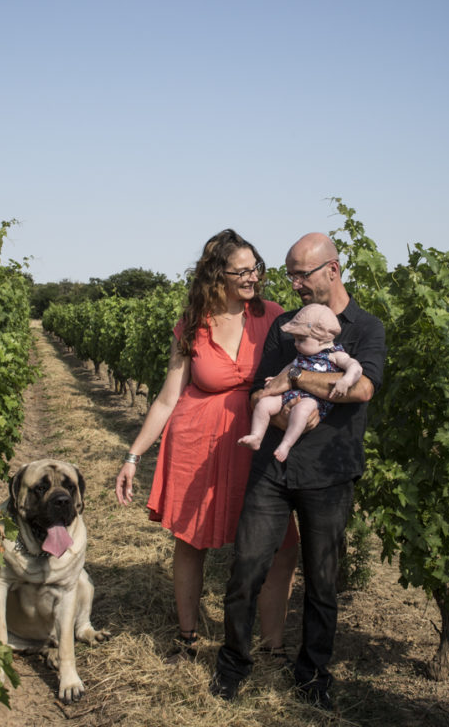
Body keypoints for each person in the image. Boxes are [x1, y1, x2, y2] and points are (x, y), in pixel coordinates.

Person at [212, 232, 386, 711]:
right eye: (288, 275)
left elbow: (362, 388)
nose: (293, 286)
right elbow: (257, 394)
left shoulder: (365, 329)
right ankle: (233, 665)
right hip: (272, 466)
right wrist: (289, 405)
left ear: (332, 269)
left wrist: (296, 377)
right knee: (246, 568)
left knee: (322, 581)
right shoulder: (285, 326)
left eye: (301, 274)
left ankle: (313, 676)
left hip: (330, 475)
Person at [115, 229, 299, 661]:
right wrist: (132, 455)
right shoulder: (193, 325)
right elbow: (166, 398)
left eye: (257, 267)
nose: (254, 277)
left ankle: (273, 644)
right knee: (191, 539)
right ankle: (188, 636)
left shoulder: (273, 316)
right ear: (217, 275)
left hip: (255, 441)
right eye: (243, 271)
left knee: (280, 542)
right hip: (197, 442)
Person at [238, 303, 362, 462]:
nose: (296, 344)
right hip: (289, 394)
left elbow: (355, 367)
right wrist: (276, 379)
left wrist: (346, 380)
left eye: (301, 339)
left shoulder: (334, 355)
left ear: (322, 338)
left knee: (301, 411)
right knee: (264, 404)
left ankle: (286, 444)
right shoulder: (301, 355)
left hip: (313, 399)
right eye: (295, 339)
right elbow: (287, 370)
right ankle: (256, 436)